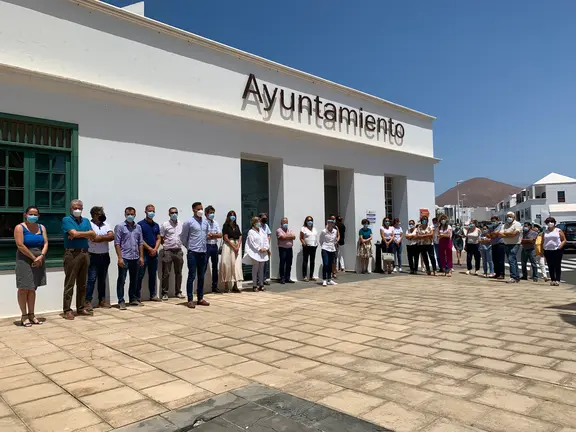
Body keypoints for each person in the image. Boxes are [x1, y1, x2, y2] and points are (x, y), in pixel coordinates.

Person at [62, 199, 95, 320]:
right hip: (72, 253)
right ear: (71, 208)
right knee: (70, 283)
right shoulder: (66, 220)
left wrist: (78, 234)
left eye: (80, 208)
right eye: (75, 207)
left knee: (82, 283)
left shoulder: (86, 221)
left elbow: (93, 235)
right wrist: (86, 233)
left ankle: (81, 308)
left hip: (85, 253)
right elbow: (73, 233)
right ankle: (67, 310)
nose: (78, 210)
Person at [14, 206, 48, 326]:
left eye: (35, 214)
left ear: (38, 216)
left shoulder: (41, 227)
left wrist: (42, 256)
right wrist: (33, 258)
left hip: (39, 259)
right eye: (30, 214)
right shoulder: (20, 227)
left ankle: (32, 314)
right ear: (25, 214)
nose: (33, 216)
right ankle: (24, 315)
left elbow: (45, 242)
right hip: (24, 259)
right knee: (24, 288)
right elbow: (20, 245)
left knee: (32, 288)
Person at [181, 202, 210, 308]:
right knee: (192, 275)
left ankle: (200, 298)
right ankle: (190, 299)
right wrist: (189, 247)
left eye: (201, 208)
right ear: (193, 210)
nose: (200, 211)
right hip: (193, 252)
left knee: (201, 276)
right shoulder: (189, 222)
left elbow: (206, 235)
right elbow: (183, 237)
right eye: (198, 209)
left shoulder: (205, 222)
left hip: (203, 252)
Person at [114, 207, 144, 310]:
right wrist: (119, 258)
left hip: (135, 257)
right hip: (125, 257)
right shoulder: (120, 227)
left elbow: (140, 243)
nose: (130, 216)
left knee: (134, 279)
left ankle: (133, 299)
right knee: (122, 279)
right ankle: (121, 301)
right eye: (128, 214)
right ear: (125, 214)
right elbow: (117, 243)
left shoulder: (138, 227)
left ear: (135, 215)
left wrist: (141, 257)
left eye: (132, 214)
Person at [86, 206, 114, 310]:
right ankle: (87, 301)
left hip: (104, 255)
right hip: (93, 255)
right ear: (94, 215)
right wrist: (104, 238)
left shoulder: (106, 224)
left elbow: (111, 236)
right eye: (99, 214)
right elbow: (93, 238)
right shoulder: (89, 224)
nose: (102, 216)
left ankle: (101, 300)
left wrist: (100, 238)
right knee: (91, 279)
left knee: (102, 279)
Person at [137, 204, 161, 302]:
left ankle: (153, 295)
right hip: (144, 253)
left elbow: (159, 238)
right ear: (145, 212)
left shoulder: (156, 225)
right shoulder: (140, 224)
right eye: (149, 211)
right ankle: (137, 296)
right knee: (140, 275)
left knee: (152, 275)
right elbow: (140, 239)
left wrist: (155, 249)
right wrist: (149, 249)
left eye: (153, 211)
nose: (151, 213)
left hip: (154, 254)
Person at [160, 207, 185, 300]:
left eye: (175, 212)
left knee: (179, 273)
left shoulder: (181, 224)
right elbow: (161, 238)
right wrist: (167, 246)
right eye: (172, 213)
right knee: (166, 273)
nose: (174, 214)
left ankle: (178, 292)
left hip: (178, 251)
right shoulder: (165, 225)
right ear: (169, 214)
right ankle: (164, 293)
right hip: (168, 251)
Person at [220, 210, 243, 293]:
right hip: (228, 246)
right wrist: (233, 246)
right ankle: (226, 285)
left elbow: (240, 235)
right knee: (227, 264)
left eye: (234, 215)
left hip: (236, 245)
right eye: (231, 215)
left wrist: (238, 245)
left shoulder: (236, 226)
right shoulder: (225, 226)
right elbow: (225, 238)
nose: (233, 217)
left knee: (236, 265)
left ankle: (235, 285)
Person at [244, 216, 269, 291]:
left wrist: (266, 248)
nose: (259, 223)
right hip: (255, 252)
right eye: (257, 222)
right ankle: (254, 285)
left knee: (262, 269)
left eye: (259, 221)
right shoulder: (251, 232)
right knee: (255, 268)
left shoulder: (262, 231)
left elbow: (266, 240)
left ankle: (261, 284)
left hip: (263, 252)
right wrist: (259, 248)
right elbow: (251, 242)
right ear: (253, 223)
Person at [543, 217, 566, 286]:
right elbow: (542, 241)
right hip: (547, 250)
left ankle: (557, 280)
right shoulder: (545, 231)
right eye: (548, 222)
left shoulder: (558, 230)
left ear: (554, 223)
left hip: (556, 250)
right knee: (550, 265)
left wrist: (559, 247)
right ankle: (553, 279)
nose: (550, 223)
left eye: (551, 222)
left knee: (557, 265)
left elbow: (564, 240)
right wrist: (542, 250)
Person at [500, 211, 522, 283]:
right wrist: (509, 234)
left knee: (511, 258)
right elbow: (500, 234)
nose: (509, 218)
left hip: (515, 244)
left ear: (514, 217)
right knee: (513, 260)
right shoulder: (504, 225)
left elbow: (515, 234)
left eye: (510, 216)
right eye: (508, 216)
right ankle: (517, 276)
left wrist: (506, 234)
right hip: (506, 244)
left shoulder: (517, 224)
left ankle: (512, 276)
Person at [205, 205, 222, 293]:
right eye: (210, 213)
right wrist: (212, 235)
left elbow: (220, 235)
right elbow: (205, 236)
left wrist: (212, 235)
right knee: (203, 267)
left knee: (215, 267)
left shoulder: (215, 223)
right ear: (206, 214)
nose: (212, 214)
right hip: (206, 246)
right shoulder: (204, 223)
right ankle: (201, 287)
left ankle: (214, 286)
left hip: (214, 246)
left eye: (213, 213)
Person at [320, 217, 339, 286]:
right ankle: (324, 279)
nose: (330, 224)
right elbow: (321, 240)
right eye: (329, 223)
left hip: (332, 248)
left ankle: (329, 279)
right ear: (327, 223)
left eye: (332, 223)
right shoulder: (324, 231)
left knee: (331, 264)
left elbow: (334, 240)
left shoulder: (335, 231)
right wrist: (324, 246)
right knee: (325, 264)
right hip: (325, 248)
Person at [277, 217, 295, 284]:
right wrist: (289, 237)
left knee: (289, 264)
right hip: (282, 249)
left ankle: (288, 277)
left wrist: (286, 236)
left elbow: (294, 237)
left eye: (286, 222)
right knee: (282, 263)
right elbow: (281, 237)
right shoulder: (279, 230)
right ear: (281, 223)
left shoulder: (289, 230)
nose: (285, 224)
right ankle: (282, 278)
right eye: (284, 222)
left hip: (289, 248)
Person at [300, 216, 318, 281]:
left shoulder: (314, 229)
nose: (310, 222)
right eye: (308, 220)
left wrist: (316, 244)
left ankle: (311, 275)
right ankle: (304, 276)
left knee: (312, 261)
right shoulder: (303, 228)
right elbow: (301, 237)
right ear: (306, 221)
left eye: (311, 220)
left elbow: (315, 237)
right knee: (305, 261)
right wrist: (304, 243)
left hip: (314, 246)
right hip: (306, 246)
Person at [259, 212, 272, 286]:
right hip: (259, 247)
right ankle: (258, 280)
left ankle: (264, 279)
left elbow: (269, 235)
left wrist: (267, 246)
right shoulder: (258, 225)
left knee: (265, 264)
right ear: (260, 218)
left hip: (266, 247)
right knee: (259, 264)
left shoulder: (266, 226)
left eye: (265, 218)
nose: (265, 219)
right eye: (263, 218)